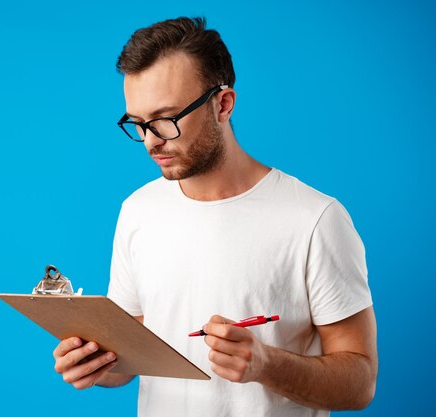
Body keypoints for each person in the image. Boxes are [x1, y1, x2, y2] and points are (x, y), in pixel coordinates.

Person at [52, 16, 377, 417]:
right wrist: (96, 364)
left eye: (166, 119)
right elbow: (129, 357)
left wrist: (267, 365)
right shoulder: (138, 210)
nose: (151, 141)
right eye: (138, 124)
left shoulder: (315, 219)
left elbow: (360, 383)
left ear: (223, 104)